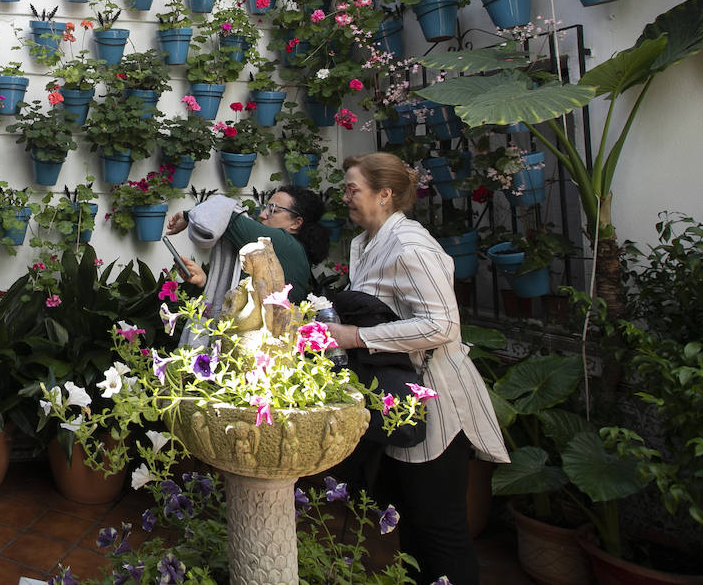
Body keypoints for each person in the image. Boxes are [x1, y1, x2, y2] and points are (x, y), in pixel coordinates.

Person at [324, 152, 508, 585]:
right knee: (413, 526)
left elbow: (442, 323)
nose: (345, 197)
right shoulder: (367, 243)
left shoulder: (409, 246)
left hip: (438, 400)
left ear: (384, 194)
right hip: (401, 398)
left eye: (353, 189)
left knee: (440, 530)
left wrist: (354, 336)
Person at [165, 186, 328, 348]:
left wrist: (187, 215)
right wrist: (203, 282)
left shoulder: (286, 244)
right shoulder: (284, 249)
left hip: (258, 351)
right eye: (265, 207)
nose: (262, 215)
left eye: (273, 210)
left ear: (296, 223)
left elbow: (223, 216)